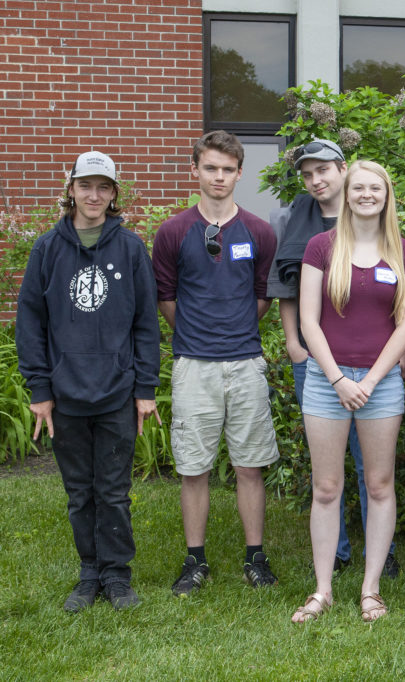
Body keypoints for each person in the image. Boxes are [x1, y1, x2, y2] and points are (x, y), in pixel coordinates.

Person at [16, 151, 161, 611]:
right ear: (71, 188)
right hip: (66, 395)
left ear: (114, 193)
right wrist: (40, 391)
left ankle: (117, 576)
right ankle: (88, 573)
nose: (94, 195)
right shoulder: (47, 248)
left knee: (113, 492)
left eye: (103, 187)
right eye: (85, 186)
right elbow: (30, 322)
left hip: (117, 391)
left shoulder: (131, 248)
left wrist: (144, 389)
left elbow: (145, 324)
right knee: (80, 493)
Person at [152, 130, 280, 596]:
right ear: (195, 172)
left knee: (250, 465)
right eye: (210, 168)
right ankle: (195, 560)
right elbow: (166, 297)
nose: (219, 177)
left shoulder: (258, 232)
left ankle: (255, 557)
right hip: (194, 365)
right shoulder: (172, 231)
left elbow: (263, 295)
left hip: (245, 362)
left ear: (240, 174)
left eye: (228, 169)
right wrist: (196, 334)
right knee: (193, 467)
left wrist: (236, 328)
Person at [290, 161, 405, 623]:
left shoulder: (403, 252)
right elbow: (308, 320)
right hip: (328, 383)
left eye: (375, 188)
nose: (366, 194)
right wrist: (340, 380)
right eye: (359, 187)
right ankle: (322, 591)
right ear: (347, 193)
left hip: (380, 385)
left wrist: (367, 381)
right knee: (326, 488)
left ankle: (370, 589)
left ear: (387, 195)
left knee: (379, 485)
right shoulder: (320, 247)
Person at [267, 139, 400, 577]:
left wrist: (392, 362)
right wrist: (307, 354)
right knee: (328, 478)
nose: (315, 180)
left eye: (323, 170)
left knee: (374, 473)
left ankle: (378, 561)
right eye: (307, 174)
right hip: (324, 367)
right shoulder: (309, 236)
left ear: (343, 171)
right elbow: (296, 300)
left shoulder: (399, 248)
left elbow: (404, 316)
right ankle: (336, 557)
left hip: (378, 374)